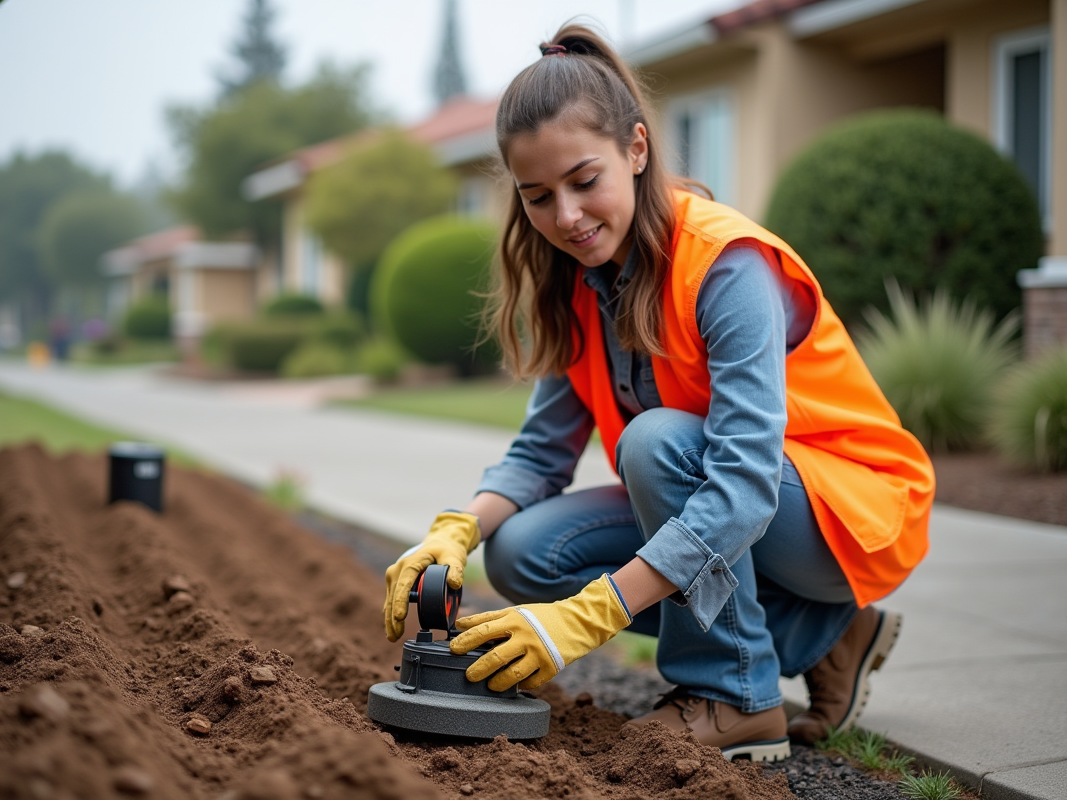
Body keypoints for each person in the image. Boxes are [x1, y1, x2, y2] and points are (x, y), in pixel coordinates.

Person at [382, 24, 934, 763]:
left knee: (657, 445)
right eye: (538, 197)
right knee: (521, 555)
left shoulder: (726, 266)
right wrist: (452, 532)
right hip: (734, 498)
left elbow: (738, 485)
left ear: (636, 150)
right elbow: (540, 454)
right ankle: (828, 637)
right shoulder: (579, 287)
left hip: (843, 511)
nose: (566, 218)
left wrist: (592, 615)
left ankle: (735, 697)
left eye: (585, 181)